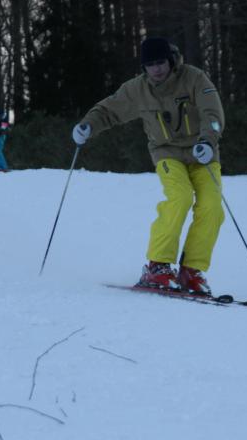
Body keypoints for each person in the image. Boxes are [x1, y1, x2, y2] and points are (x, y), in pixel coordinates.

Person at [72, 37, 226, 295]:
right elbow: (109, 110)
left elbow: (212, 112)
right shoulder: (137, 89)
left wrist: (208, 140)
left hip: (202, 152)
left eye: (161, 62)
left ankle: (191, 270)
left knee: (212, 207)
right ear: (144, 67)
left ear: (171, 60)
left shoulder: (194, 78)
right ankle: (158, 266)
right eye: (150, 65)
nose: (157, 69)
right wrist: (87, 126)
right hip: (167, 153)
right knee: (179, 198)